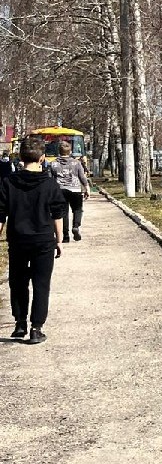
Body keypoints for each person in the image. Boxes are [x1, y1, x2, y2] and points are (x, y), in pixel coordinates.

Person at [0, 137, 66, 344]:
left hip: (18, 239)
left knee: (17, 282)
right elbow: (57, 213)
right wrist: (59, 239)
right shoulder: (49, 184)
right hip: (43, 240)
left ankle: (20, 323)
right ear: (42, 158)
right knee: (41, 284)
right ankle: (36, 328)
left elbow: (0, 214)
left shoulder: (8, 182)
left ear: (20, 157)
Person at [49, 141, 89, 242]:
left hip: (60, 190)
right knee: (77, 209)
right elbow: (82, 177)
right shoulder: (76, 163)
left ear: (59, 151)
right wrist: (86, 188)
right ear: (70, 151)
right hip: (75, 189)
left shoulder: (53, 163)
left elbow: (49, 179)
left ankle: (65, 236)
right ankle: (76, 226)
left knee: (63, 213)